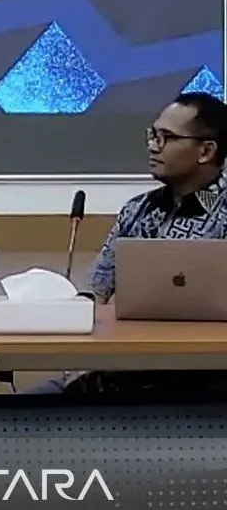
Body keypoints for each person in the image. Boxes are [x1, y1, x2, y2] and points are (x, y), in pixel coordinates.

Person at [35, 91, 227, 395]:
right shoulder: (137, 210)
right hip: (122, 369)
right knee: (28, 408)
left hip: (205, 379)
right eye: (152, 135)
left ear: (205, 151)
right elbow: (95, 294)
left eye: (166, 138)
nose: (153, 146)